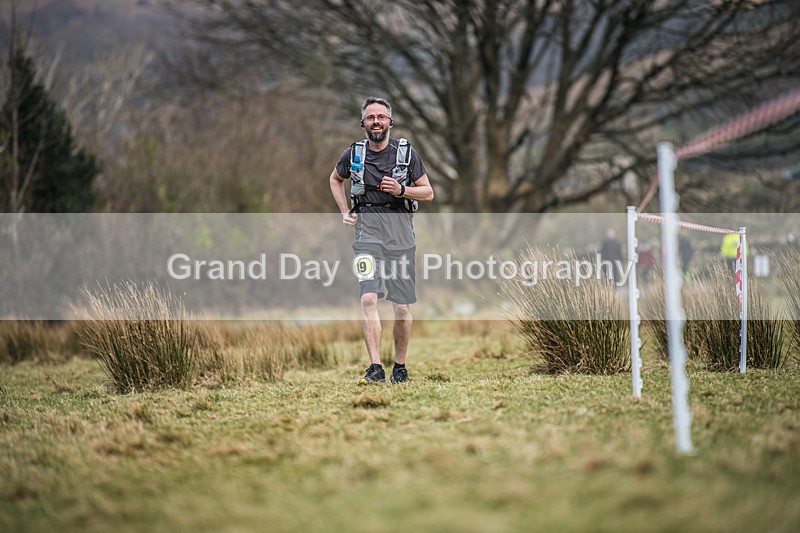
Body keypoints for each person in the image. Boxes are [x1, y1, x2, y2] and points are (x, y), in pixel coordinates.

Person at [329, 96, 434, 385]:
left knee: (401, 306)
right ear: (362, 123)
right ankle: (375, 367)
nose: (376, 121)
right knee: (368, 297)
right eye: (371, 117)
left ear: (390, 121)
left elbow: (428, 193)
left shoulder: (406, 154)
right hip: (367, 234)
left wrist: (402, 190)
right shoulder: (353, 154)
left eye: (381, 117)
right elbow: (335, 179)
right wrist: (344, 211)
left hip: (401, 235)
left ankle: (400, 367)